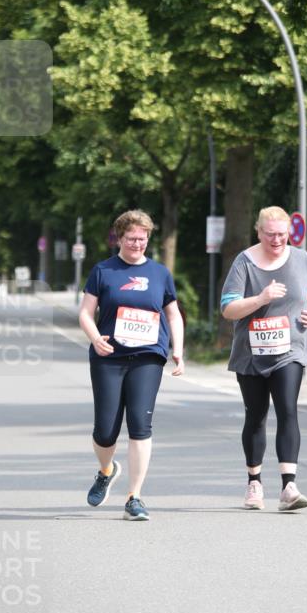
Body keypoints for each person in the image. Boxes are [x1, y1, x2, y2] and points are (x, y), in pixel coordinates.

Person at [79, 209, 184, 521]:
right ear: (119, 238)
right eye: (131, 238)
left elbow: (173, 314)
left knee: (140, 425)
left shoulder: (160, 274)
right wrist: (96, 337)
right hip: (109, 356)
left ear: (148, 239)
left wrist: (178, 349)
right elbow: (85, 312)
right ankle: (106, 470)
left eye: (142, 238)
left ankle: (134, 497)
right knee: (105, 431)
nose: (137, 244)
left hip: (148, 357)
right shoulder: (103, 271)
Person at [220, 206, 307, 512]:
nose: (277, 240)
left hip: (290, 349)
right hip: (251, 353)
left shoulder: (303, 260)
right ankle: (254, 482)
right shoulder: (244, 262)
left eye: (282, 234)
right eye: (271, 235)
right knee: (256, 415)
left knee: (287, 409)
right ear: (259, 232)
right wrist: (261, 298)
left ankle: (289, 486)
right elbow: (228, 309)